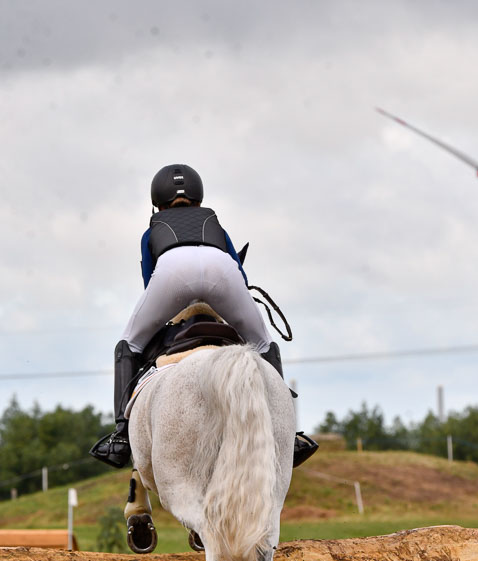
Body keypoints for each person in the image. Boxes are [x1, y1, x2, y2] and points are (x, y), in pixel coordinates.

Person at [90, 164, 317, 469]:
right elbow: (240, 272)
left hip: (172, 271)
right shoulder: (217, 227)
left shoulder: (151, 230)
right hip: (221, 271)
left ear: (157, 202)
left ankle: (120, 436)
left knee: (128, 344)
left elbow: (149, 280)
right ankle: (288, 437)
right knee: (263, 343)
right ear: (199, 198)